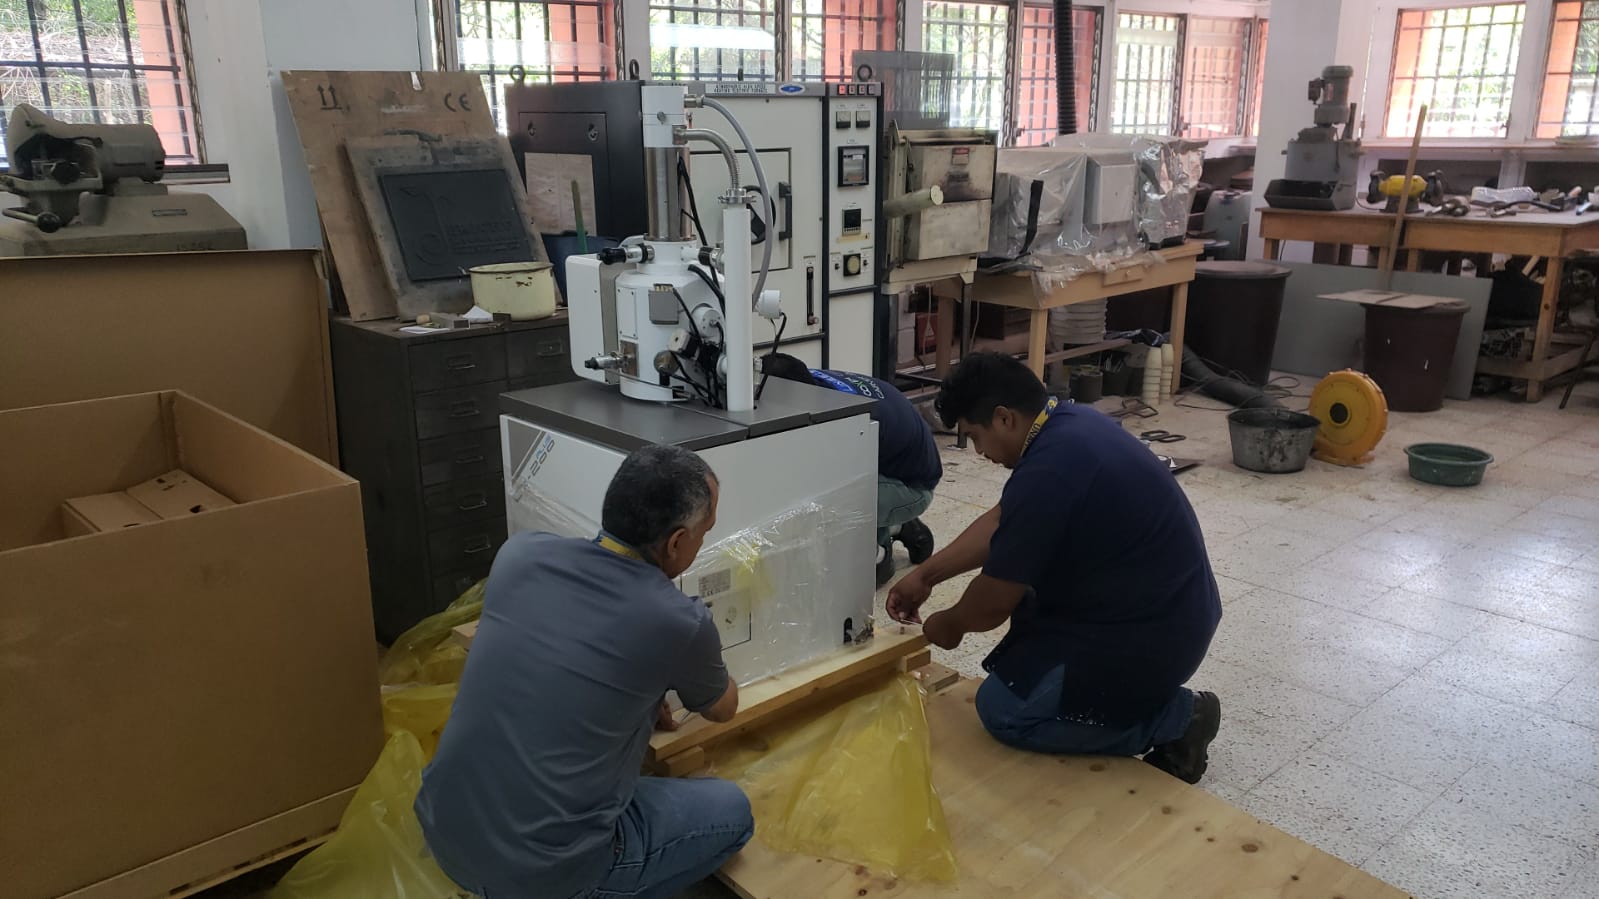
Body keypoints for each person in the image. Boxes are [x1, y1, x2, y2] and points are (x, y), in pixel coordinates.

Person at [416, 444, 752, 898]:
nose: (704, 543)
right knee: (732, 812)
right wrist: (693, 662)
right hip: (547, 874)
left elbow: (568, 654)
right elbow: (723, 708)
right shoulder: (677, 620)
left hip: (445, 830)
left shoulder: (522, 555)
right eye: (704, 533)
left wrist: (645, 688)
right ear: (676, 543)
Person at [885, 352, 1223, 783]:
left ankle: (1178, 719)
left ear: (1004, 418)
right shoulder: (1067, 425)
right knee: (1028, 633)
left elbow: (993, 603)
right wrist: (925, 575)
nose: (979, 452)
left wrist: (948, 625)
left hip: (1153, 633)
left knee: (1005, 711)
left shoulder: (1052, 468)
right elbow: (1003, 520)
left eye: (974, 437)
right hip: (1153, 606)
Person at [761, 352, 941, 586]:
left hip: (913, 487)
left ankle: (882, 551)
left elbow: (838, 484)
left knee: (834, 502)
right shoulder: (809, 383)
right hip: (891, 463)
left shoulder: (846, 422)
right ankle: (890, 518)